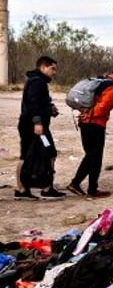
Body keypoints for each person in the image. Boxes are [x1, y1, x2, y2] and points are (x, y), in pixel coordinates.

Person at [67, 67, 113, 199]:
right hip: (96, 124)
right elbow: (103, 106)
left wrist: (85, 114)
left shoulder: (99, 81)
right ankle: (89, 189)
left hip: (84, 122)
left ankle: (78, 184)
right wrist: (90, 115)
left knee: (90, 155)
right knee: (95, 158)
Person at [15, 55, 64, 200]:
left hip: (36, 125)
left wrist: (50, 109)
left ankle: (40, 187)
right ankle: (26, 189)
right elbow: (33, 103)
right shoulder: (37, 82)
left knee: (44, 153)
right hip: (34, 127)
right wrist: (37, 122)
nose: (54, 72)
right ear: (43, 67)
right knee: (45, 153)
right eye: (52, 68)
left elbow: (40, 102)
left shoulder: (37, 81)